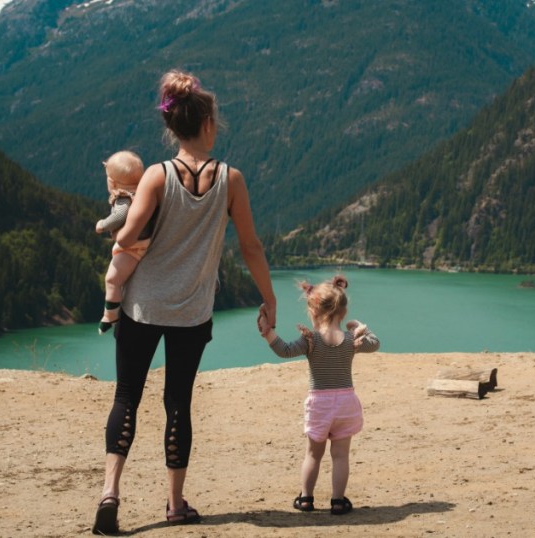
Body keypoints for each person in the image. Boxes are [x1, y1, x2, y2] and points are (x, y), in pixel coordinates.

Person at [92, 69, 277, 535]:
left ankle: (110, 494)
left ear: (172, 127)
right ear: (209, 124)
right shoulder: (231, 180)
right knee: (178, 404)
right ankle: (175, 505)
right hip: (192, 313)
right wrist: (269, 297)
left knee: (127, 397)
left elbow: (130, 233)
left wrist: (121, 233)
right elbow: (251, 246)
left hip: (141, 308)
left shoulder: (156, 176)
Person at [257, 275, 380, 516]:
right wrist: (360, 327)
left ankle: (305, 499)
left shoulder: (310, 340)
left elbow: (284, 350)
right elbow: (375, 343)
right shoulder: (350, 340)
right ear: (342, 313)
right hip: (346, 404)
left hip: (320, 405)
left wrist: (267, 332)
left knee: (313, 454)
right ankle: (337, 501)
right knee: (341, 455)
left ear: (313, 311)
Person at [95, 150, 149, 335]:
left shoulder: (123, 198)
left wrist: (102, 225)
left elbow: (119, 216)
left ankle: (110, 315)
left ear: (112, 182)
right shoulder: (145, 193)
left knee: (112, 279)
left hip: (134, 248)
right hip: (149, 243)